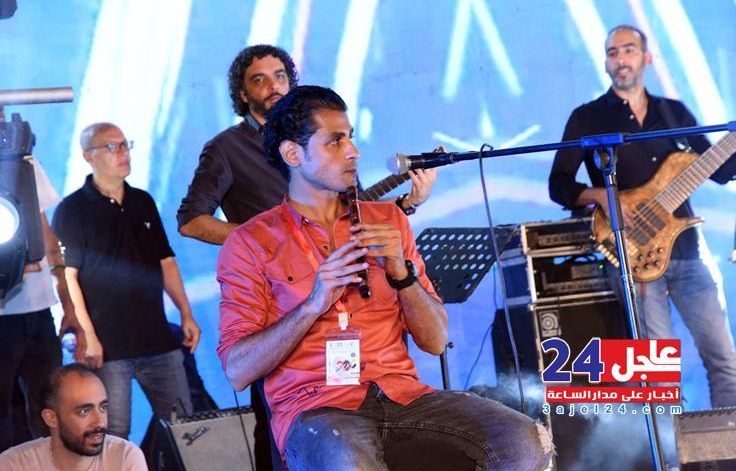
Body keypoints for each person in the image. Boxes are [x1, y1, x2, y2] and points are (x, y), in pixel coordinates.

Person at [217, 85, 551, 470]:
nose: (353, 151)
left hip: (404, 396)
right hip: (318, 409)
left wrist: (401, 274)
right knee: (348, 458)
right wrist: (312, 305)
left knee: (525, 439)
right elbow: (238, 372)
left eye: (351, 137)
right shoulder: (250, 242)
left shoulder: (388, 220)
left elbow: (435, 341)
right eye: (335, 141)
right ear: (293, 154)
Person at [548, 24, 736, 408]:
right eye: (612, 52)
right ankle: (669, 446)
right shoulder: (587, 118)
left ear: (646, 58)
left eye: (628, 50)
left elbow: (719, 171)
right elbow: (559, 184)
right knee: (658, 373)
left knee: (725, 361)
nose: (620, 59)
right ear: (606, 63)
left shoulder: (673, 112)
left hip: (689, 252)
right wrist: (602, 196)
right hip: (635, 255)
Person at [177, 44, 437, 245]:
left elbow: (355, 209)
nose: (273, 86)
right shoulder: (225, 147)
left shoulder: (322, 137)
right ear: (243, 94)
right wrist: (260, 238)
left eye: (280, 76)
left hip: (340, 272)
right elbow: (191, 222)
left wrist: (408, 202)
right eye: (259, 80)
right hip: (276, 282)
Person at [51, 122, 201, 439]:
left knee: (185, 429)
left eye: (125, 144)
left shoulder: (142, 201)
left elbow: (166, 260)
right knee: (114, 432)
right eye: (111, 146)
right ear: (88, 156)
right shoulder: (72, 210)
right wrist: (88, 335)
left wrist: (186, 313)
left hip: (157, 337)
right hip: (109, 345)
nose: (122, 153)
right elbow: (69, 277)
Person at [0, 105, 87, 452]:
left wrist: (68, 305)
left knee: (51, 408)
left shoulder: (24, 162)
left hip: (39, 313)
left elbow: (47, 235)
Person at [0, 363, 146, 470]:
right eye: (84, 411)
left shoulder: (125, 456)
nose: (99, 422)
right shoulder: (13, 464)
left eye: (103, 408)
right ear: (51, 418)